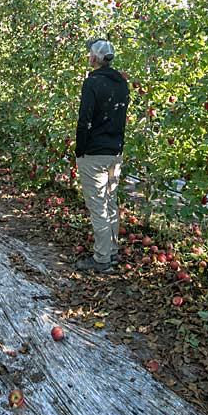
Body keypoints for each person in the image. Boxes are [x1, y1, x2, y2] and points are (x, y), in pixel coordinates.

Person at [74, 39, 129, 273]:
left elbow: (84, 120)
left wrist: (80, 149)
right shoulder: (122, 83)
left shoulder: (92, 83)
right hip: (114, 151)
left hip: (94, 152)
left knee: (98, 206)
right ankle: (112, 252)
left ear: (94, 58)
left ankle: (101, 259)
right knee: (110, 202)